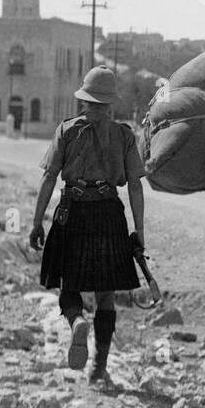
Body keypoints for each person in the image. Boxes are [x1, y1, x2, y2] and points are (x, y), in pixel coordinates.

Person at [29, 67, 145, 386]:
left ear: (84, 100)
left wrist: (37, 222)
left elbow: (49, 177)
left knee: (70, 286)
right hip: (109, 215)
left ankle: (77, 321)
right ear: (110, 104)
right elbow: (135, 186)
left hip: (73, 213)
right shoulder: (124, 135)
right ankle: (99, 367)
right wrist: (139, 233)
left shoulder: (67, 130)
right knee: (105, 295)